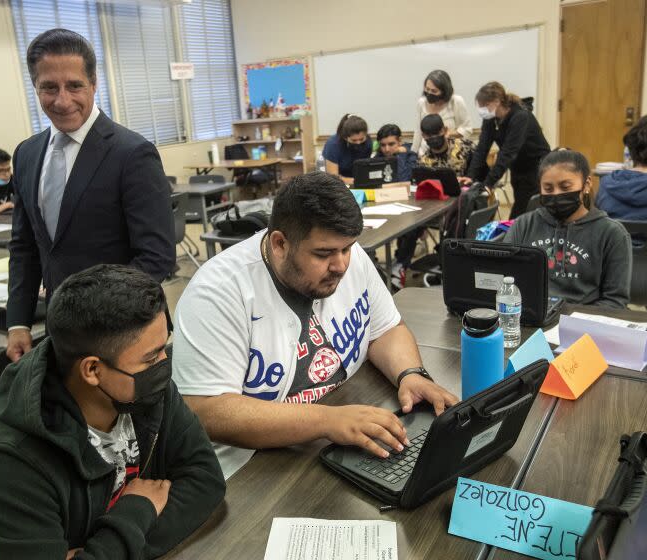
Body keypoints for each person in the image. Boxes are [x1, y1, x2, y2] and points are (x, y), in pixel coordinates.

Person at [171, 171, 458, 479]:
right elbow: (207, 410)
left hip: (335, 434)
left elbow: (385, 328)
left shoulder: (348, 255)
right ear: (280, 243)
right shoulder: (217, 293)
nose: (341, 265)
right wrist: (326, 421)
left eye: (347, 249)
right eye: (323, 254)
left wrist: (410, 374)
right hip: (254, 472)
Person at [0, 264, 225, 559]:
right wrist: (137, 511)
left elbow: (206, 480)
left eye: (163, 345)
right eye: (151, 356)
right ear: (92, 369)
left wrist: (101, 551)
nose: (164, 361)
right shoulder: (14, 462)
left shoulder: (146, 391)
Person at [6, 29, 175, 363]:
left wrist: (95, 318)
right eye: (49, 87)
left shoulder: (132, 153)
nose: (62, 100)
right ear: (35, 87)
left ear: (94, 83)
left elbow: (156, 257)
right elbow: (25, 247)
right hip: (61, 330)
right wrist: (18, 321)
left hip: (126, 330)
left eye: (74, 86)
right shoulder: (26, 154)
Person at [504, 149, 631, 308]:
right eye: (548, 189)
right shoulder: (523, 225)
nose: (556, 195)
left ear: (586, 185)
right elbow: (505, 281)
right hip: (532, 318)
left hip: (584, 323)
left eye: (565, 187)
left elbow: (615, 302)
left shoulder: (612, 234)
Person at [390, 114, 477, 289]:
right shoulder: (425, 160)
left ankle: (451, 264)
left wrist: (470, 179)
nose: (432, 139)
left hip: (463, 207)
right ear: (423, 137)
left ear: (444, 131)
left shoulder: (465, 148)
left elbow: (480, 173)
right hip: (434, 207)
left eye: (436, 134)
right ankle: (400, 265)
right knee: (412, 220)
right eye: (428, 137)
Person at [466, 81, 551, 219]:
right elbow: (482, 149)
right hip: (518, 169)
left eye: (486, 105)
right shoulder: (490, 119)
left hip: (537, 168)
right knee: (523, 214)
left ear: (498, 101)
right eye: (480, 106)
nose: (482, 109)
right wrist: (470, 176)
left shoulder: (521, 116)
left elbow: (508, 153)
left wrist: (488, 184)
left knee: (521, 217)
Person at [411, 70, 472, 155]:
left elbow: (467, 129)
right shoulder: (421, 103)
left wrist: (447, 134)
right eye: (427, 89)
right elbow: (418, 132)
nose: (429, 93)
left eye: (434, 91)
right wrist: (413, 153)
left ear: (444, 91)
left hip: (451, 154)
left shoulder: (456, 101)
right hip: (425, 155)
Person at [322, 114, 372, 184]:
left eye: (361, 139)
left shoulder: (368, 142)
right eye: (354, 140)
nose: (358, 143)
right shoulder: (333, 145)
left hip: (359, 181)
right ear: (345, 137)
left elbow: (365, 169)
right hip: (339, 184)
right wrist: (357, 181)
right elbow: (332, 177)